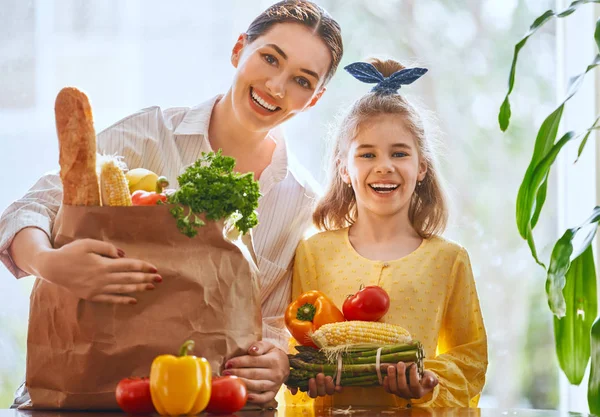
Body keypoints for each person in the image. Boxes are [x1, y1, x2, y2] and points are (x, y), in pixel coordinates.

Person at [0, 0, 343, 407]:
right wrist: (49, 262)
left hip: (213, 400)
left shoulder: (301, 201)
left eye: (302, 81)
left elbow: (270, 323)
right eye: (270, 58)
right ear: (238, 50)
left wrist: (277, 360)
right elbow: (32, 208)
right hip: (89, 390)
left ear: (315, 99)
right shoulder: (149, 134)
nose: (276, 86)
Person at [287, 58, 488, 408]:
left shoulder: (449, 259)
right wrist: (310, 376)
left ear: (421, 166)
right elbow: (297, 345)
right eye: (367, 154)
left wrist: (429, 382)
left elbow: (470, 359)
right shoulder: (313, 252)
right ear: (344, 169)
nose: (384, 166)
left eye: (400, 153)